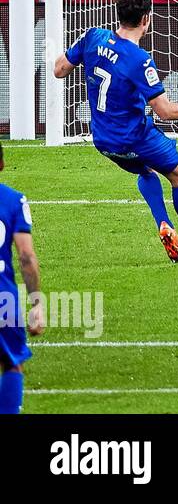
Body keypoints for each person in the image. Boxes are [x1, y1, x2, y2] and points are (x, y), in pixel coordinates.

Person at [53, 0, 178, 262]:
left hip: (103, 140)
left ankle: (163, 222)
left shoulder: (92, 36)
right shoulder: (139, 60)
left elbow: (59, 70)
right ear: (146, 19)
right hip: (134, 136)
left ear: (119, 15)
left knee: (146, 172)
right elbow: (166, 111)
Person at [0, 143, 42, 414]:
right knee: (12, 364)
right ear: (2, 164)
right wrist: (36, 303)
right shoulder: (14, 200)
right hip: (4, 300)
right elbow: (26, 257)